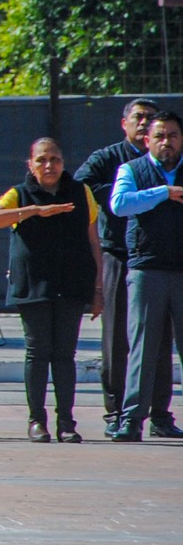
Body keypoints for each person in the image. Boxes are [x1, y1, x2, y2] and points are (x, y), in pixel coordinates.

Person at [0, 138, 99, 443]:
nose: (49, 166)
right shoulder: (19, 194)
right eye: (42, 160)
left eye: (55, 159)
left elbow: (93, 240)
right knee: (37, 354)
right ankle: (37, 420)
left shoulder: (81, 192)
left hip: (71, 286)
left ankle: (67, 422)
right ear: (31, 164)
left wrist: (98, 287)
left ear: (63, 162)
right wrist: (33, 210)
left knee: (65, 355)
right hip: (33, 286)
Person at [76, 98, 166, 437]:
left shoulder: (165, 160)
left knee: (158, 339)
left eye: (151, 118)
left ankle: (160, 414)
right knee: (117, 338)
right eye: (139, 117)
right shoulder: (109, 158)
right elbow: (81, 185)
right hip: (118, 253)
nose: (145, 124)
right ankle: (116, 413)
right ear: (124, 123)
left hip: (158, 259)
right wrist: (118, 198)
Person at [104, 110, 183, 442]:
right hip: (146, 269)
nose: (166, 142)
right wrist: (163, 192)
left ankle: (162, 418)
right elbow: (119, 204)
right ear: (147, 140)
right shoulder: (131, 170)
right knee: (142, 347)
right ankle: (132, 418)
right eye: (160, 136)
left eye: (173, 136)